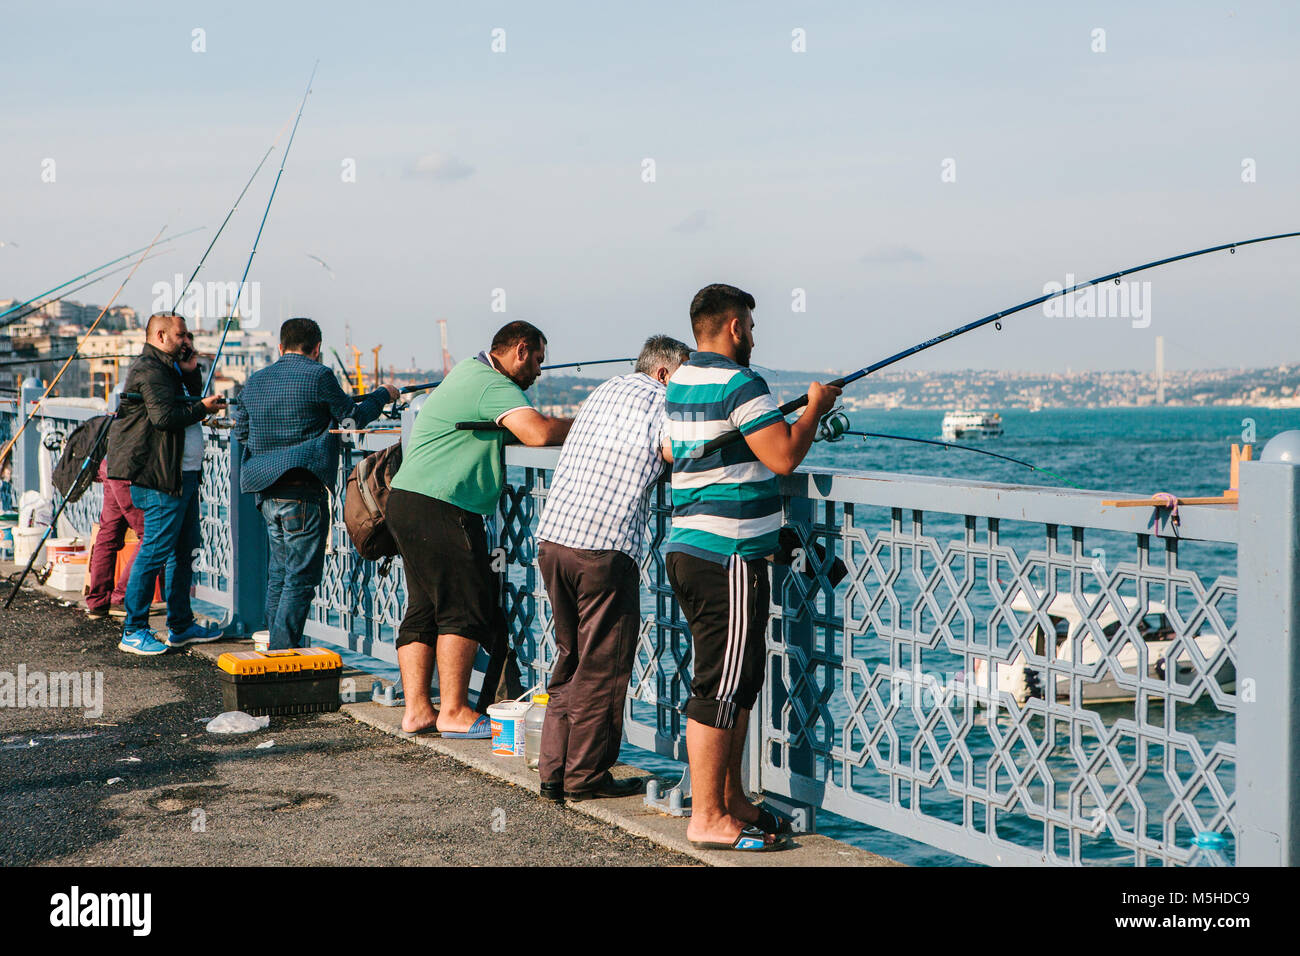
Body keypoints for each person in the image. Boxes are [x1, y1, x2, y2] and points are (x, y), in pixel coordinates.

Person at [664, 283, 840, 851]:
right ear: (735, 326)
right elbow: (785, 455)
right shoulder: (741, 383)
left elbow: (678, 453)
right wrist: (814, 409)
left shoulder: (683, 381)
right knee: (720, 684)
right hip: (730, 556)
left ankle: (732, 797)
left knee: (737, 681)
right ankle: (708, 815)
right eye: (752, 326)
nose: (755, 337)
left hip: (689, 547)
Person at [389, 320, 572, 738]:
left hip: (408, 500)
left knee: (423, 609)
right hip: (443, 505)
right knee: (463, 607)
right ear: (520, 349)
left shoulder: (467, 374)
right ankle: (454, 711)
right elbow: (538, 432)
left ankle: (418, 710)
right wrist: (589, 427)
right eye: (538, 360)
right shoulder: (492, 383)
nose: (539, 372)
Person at [534, 334, 692, 801]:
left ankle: (553, 772)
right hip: (603, 548)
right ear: (665, 373)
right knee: (603, 666)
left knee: (570, 657)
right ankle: (585, 778)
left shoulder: (605, 390)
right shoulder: (663, 401)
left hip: (554, 539)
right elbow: (672, 453)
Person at [232, 318, 397, 650]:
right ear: (317, 348)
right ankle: (282, 652)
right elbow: (352, 419)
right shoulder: (319, 375)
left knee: (279, 572)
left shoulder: (255, 381)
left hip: (265, 491)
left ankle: (272, 645)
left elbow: (241, 432)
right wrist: (383, 395)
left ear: (281, 347)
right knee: (300, 578)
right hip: (301, 489)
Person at [106, 312, 226, 655]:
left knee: (183, 551)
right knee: (155, 550)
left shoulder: (169, 367)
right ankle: (134, 629)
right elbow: (164, 418)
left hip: (183, 474)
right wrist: (202, 408)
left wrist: (191, 373)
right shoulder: (150, 368)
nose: (187, 341)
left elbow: (184, 400)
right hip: (161, 476)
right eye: (181, 335)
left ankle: (180, 624)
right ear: (160, 335)